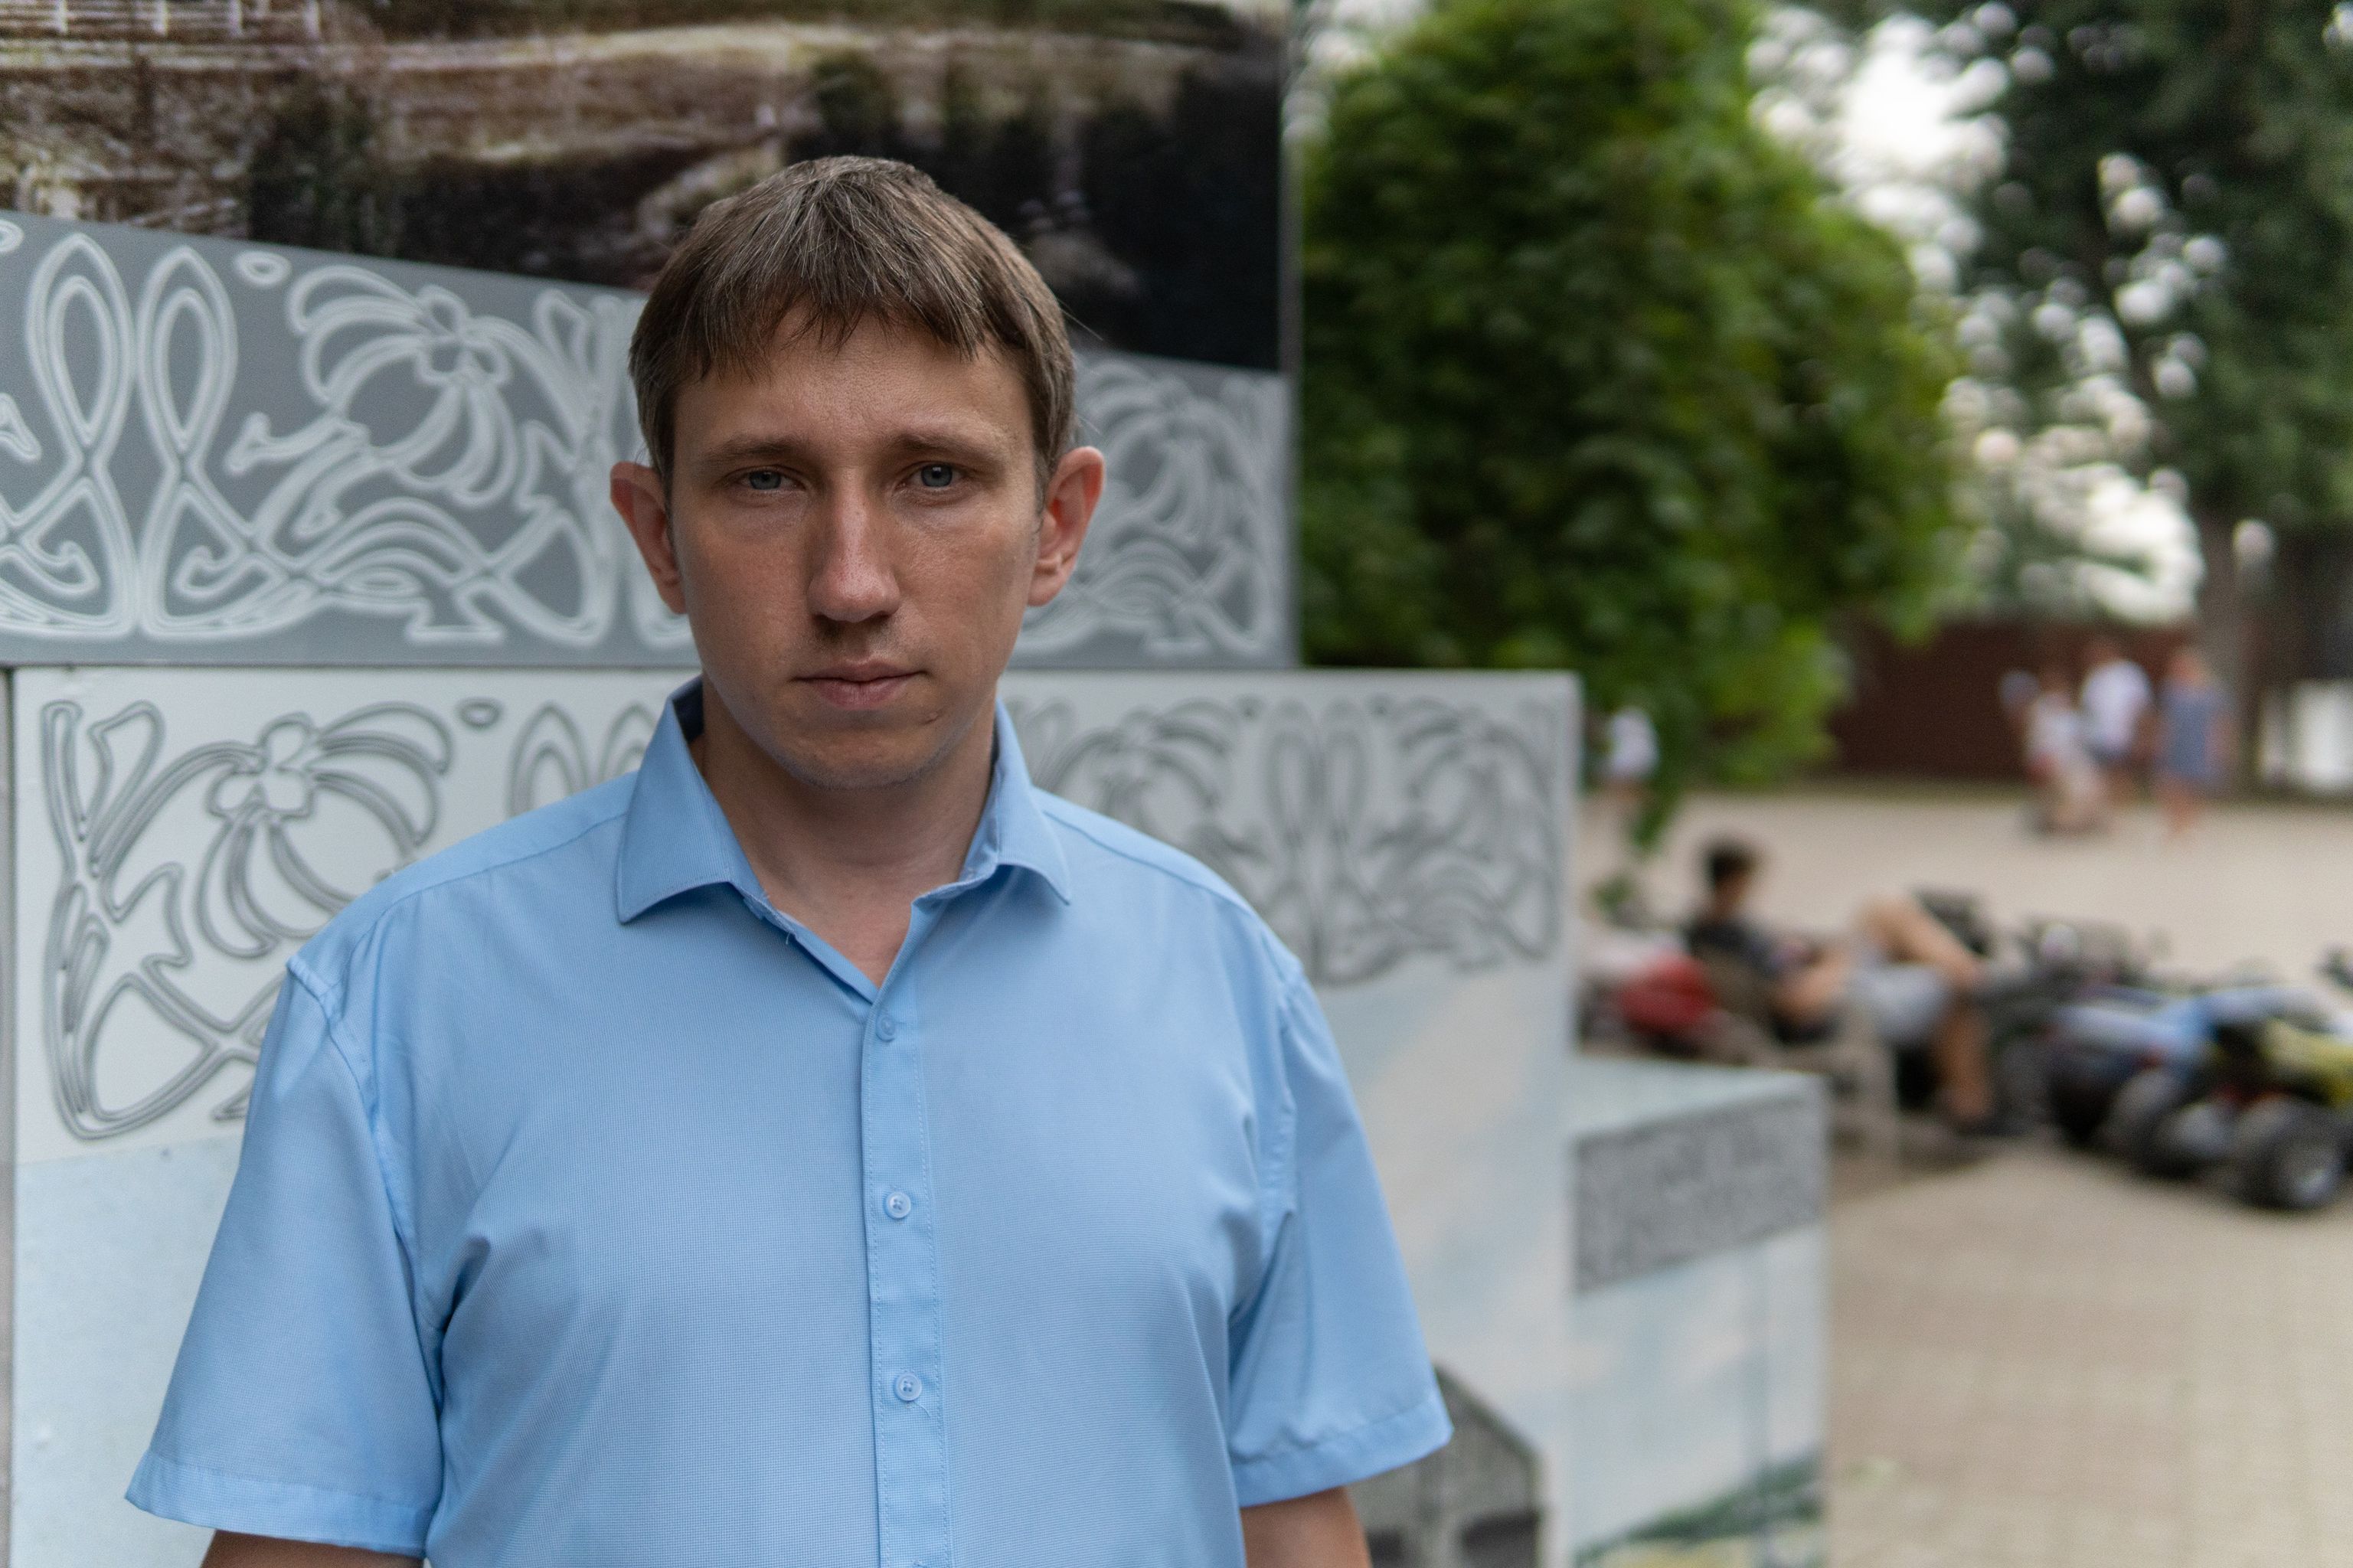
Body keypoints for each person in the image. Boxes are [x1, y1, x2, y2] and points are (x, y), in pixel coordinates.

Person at [128, 159, 1446, 1568]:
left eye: (934, 477)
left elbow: (1293, 1526)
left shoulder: (1226, 979)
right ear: (659, 535)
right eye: (766, 481)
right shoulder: (398, 999)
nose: (851, 581)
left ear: (1056, 526)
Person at [1685, 838, 2001, 1133]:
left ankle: (1971, 975)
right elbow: (1796, 1003)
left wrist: (1814, 954)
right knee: (1943, 976)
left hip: (1830, 991)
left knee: (1887, 915)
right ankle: (1973, 1101)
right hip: (1835, 1012)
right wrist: (1838, 963)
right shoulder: (1728, 935)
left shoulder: (1708, 928)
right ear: (1735, 881)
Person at [2158, 645, 2230, 836]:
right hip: (2175, 742)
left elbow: (2219, 721)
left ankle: (2190, 822)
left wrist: (2219, 747)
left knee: (2194, 785)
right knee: (2171, 784)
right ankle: (2175, 823)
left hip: (2199, 743)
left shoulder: (2211, 691)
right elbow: (2165, 720)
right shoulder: (2170, 690)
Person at [2079, 635, 2152, 818]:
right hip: (2097, 736)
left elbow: (2141, 707)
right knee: (2100, 777)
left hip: (2122, 735)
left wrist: (2142, 736)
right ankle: (2105, 814)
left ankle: (2123, 813)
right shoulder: (2095, 676)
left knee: (2121, 775)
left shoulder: (2129, 674)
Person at [2022, 662, 2100, 833]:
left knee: (2078, 794)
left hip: (2072, 761)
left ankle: (2074, 824)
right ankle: (2054, 824)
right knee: (2055, 796)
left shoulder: (2072, 711)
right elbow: (2040, 740)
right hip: (2053, 760)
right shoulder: (2043, 710)